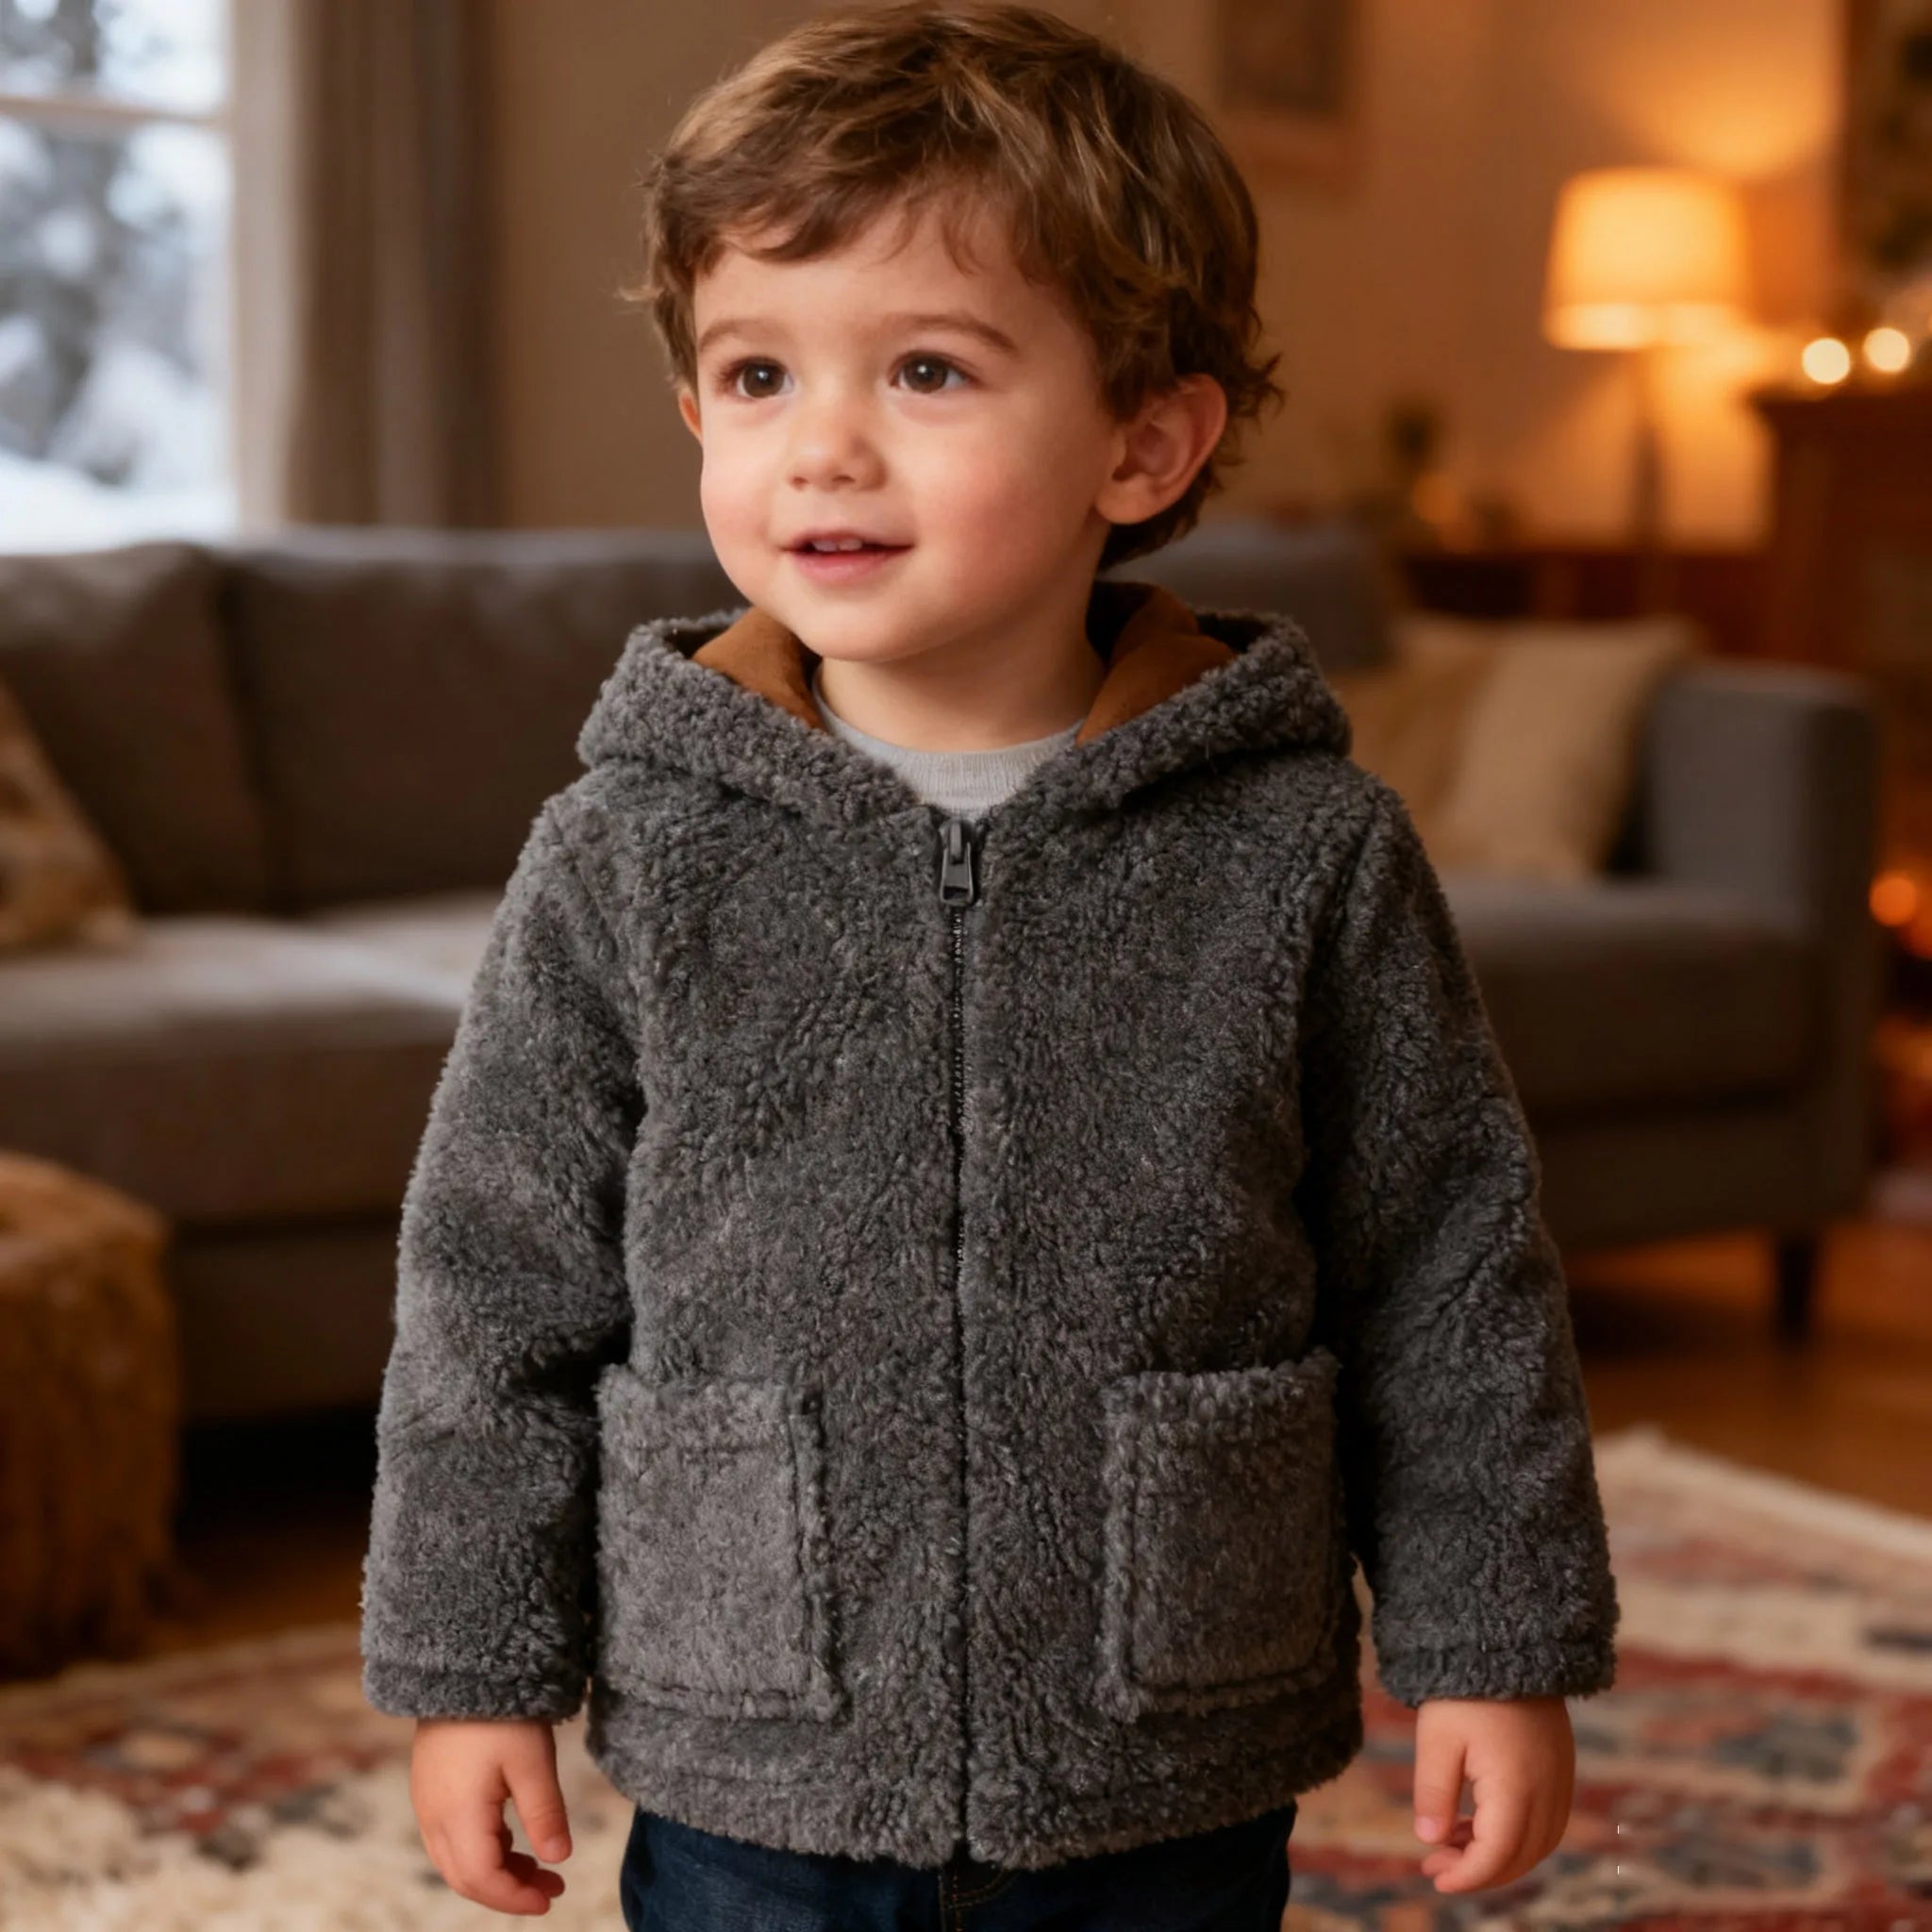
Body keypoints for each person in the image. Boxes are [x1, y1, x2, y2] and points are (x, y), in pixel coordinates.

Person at [358, 3, 1621, 1924]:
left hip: (1157, 1738)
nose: (823, 446)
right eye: (757, 373)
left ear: (1145, 440)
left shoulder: (1302, 849)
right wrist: (475, 1671)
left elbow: (1447, 1271)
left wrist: (1492, 1645)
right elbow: (491, 1294)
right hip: (757, 1747)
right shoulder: (625, 852)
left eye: (928, 369)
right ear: (698, 412)